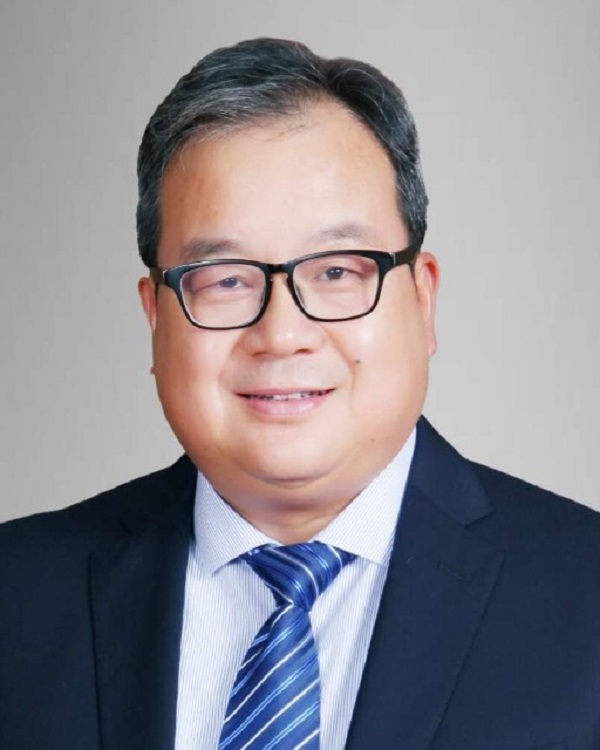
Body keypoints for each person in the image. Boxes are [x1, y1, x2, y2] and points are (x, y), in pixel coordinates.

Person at [1, 37, 599, 750]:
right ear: (155, 317)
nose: (282, 335)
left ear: (423, 299)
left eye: (338, 272)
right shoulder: (19, 596)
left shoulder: (584, 594)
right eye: (225, 279)